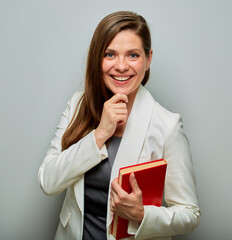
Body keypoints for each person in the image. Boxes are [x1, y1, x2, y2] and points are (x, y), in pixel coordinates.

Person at [38, 11, 200, 240]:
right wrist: (99, 134)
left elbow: (189, 213)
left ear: (148, 58)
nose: (121, 66)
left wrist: (142, 214)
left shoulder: (167, 125)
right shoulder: (77, 105)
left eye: (133, 55)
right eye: (110, 54)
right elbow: (48, 181)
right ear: (98, 58)